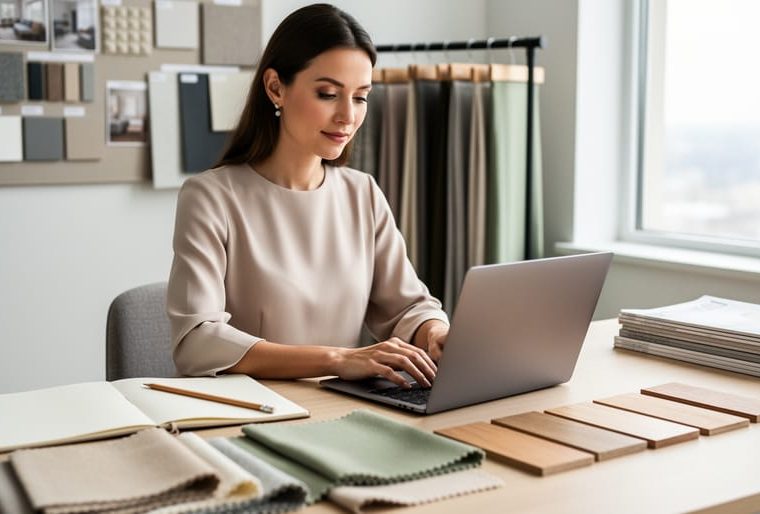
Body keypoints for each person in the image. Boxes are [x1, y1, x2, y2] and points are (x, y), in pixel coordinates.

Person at [167, 3, 449, 390]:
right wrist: (337, 359)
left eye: (361, 97)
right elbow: (197, 341)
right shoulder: (211, 197)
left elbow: (407, 307)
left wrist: (434, 333)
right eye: (328, 94)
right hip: (254, 415)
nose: (348, 116)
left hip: (344, 412)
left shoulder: (362, 193)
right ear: (275, 88)